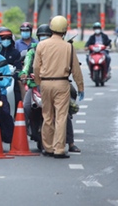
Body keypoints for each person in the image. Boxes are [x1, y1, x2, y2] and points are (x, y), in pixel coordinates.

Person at [33, 16, 84, 159]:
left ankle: (48, 147)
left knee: (47, 116)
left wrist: (38, 81)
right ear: (64, 30)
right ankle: (59, 149)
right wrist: (80, 87)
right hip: (62, 83)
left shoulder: (41, 46)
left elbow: (36, 66)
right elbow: (76, 70)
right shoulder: (68, 47)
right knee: (61, 116)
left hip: (45, 83)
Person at [0, 26, 22, 114]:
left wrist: (15, 75)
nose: (6, 40)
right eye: (3, 38)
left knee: (18, 97)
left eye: (8, 38)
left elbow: (19, 68)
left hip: (12, 82)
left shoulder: (15, 53)